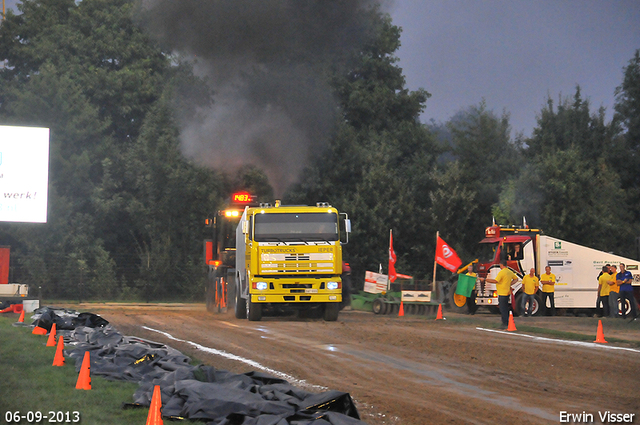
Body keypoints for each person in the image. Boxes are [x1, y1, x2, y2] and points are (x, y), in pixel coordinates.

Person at [486, 261, 518, 328]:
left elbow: (496, 281)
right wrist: (510, 284)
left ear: (501, 265)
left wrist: (486, 280)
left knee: (502, 308)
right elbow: (516, 279)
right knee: (505, 308)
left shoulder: (502, 272)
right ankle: (506, 322)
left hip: (502, 293)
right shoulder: (509, 271)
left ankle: (505, 323)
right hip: (507, 292)